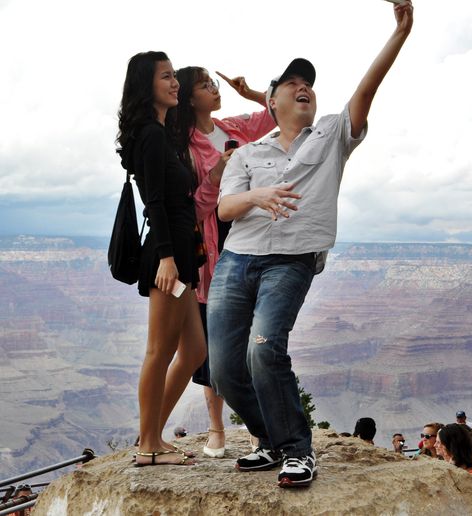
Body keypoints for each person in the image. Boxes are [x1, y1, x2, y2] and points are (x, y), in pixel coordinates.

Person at [208, 1, 414, 488]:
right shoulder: (251, 152)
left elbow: (367, 87)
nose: (305, 87)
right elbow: (223, 210)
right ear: (273, 100)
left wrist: (400, 32)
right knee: (221, 368)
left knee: (263, 350)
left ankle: (298, 451)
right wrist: (258, 195)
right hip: (237, 261)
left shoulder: (332, 137)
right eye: (292, 84)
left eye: (310, 85)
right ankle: (269, 440)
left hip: (291, 262)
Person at [171, 65, 276, 459]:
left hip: (246, 238)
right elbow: (191, 210)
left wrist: (249, 92)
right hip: (208, 251)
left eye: (213, 84)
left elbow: (276, 112)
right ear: (189, 97)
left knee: (248, 341)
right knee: (213, 345)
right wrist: (216, 174)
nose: (215, 90)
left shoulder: (231, 127)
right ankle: (216, 428)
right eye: (205, 85)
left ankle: (256, 427)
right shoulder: (183, 143)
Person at [117, 51, 206, 467]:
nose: (175, 83)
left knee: (194, 351)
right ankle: (148, 445)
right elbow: (155, 201)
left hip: (182, 254)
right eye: (167, 77)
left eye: (175, 76)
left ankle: (152, 435)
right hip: (167, 254)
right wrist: (168, 260)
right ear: (146, 84)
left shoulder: (161, 132)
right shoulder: (151, 136)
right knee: (160, 351)